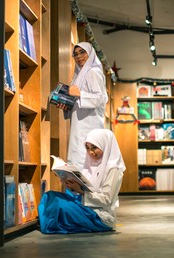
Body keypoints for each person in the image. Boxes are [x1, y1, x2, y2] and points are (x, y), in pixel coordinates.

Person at [38, 129, 126, 234]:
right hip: (85, 205)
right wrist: (69, 183)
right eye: (87, 148)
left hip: (100, 214)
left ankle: (52, 222)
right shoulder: (91, 164)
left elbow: (107, 199)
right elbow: (83, 188)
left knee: (59, 204)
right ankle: (52, 221)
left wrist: (81, 191)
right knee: (49, 196)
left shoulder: (113, 169)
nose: (91, 152)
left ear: (105, 146)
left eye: (94, 147)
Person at [59, 42, 108, 170]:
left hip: (89, 128)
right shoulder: (78, 77)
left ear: (90, 54)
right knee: (79, 163)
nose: (79, 56)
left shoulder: (93, 72)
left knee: (86, 165)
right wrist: (67, 106)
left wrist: (79, 93)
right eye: (75, 54)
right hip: (79, 128)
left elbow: (100, 98)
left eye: (82, 52)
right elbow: (78, 104)